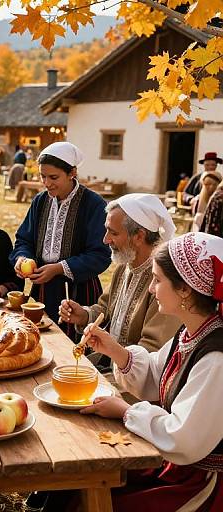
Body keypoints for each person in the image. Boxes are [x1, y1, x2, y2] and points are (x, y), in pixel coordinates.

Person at [80, 232, 223, 511]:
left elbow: (182, 437)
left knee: (104, 499)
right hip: (175, 465)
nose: (150, 289)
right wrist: (115, 350)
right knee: (80, 484)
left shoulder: (215, 357)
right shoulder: (192, 332)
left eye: (157, 280)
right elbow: (159, 374)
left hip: (201, 482)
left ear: (185, 289)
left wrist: (125, 411)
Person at [59, 194, 180, 370]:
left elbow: (152, 353)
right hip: (108, 364)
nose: (105, 239)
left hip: (132, 383)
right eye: (107, 230)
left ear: (139, 236)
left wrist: (113, 356)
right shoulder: (125, 266)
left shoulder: (164, 282)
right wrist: (84, 315)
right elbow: (104, 309)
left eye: (113, 233)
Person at [11, 142, 111, 337]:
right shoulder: (40, 201)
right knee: (42, 342)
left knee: (74, 348)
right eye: (43, 176)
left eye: (53, 177)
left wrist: (58, 268)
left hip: (79, 292)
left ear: (72, 172)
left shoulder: (93, 204)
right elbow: (24, 239)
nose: (47, 183)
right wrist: (22, 258)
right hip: (42, 290)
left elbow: (101, 254)